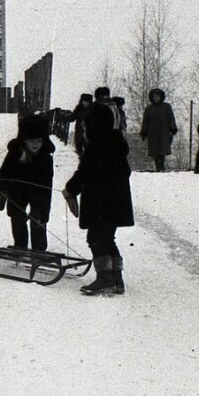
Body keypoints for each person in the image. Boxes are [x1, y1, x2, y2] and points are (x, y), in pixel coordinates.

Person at [63, 103, 134, 295]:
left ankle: (104, 279)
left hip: (100, 203)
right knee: (107, 238)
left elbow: (85, 173)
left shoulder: (96, 147)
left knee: (95, 238)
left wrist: (70, 189)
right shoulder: (116, 145)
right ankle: (116, 279)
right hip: (115, 203)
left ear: (94, 125)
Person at [0, 114, 55, 251]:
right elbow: (5, 172)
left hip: (38, 193)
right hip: (17, 191)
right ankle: (20, 245)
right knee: (17, 217)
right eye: (32, 141)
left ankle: (39, 248)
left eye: (39, 141)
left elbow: (46, 185)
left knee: (38, 219)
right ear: (24, 141)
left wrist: (42, 206)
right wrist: (3, 188)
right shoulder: (15, 154)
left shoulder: (46, 158)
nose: (36, 145)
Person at [139, 88, 177, 172]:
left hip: (164, 131)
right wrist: (144, 132)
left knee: (162, 150)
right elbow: (145, 121)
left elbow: (171, 118)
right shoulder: (149, 109)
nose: (156, 98)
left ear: (161, 97)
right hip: (152, 132)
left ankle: (162, 166)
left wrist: (173, 127)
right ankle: (158, 167)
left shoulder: (166, 107)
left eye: (157, 96)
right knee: (155, 151)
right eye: (154, 97)